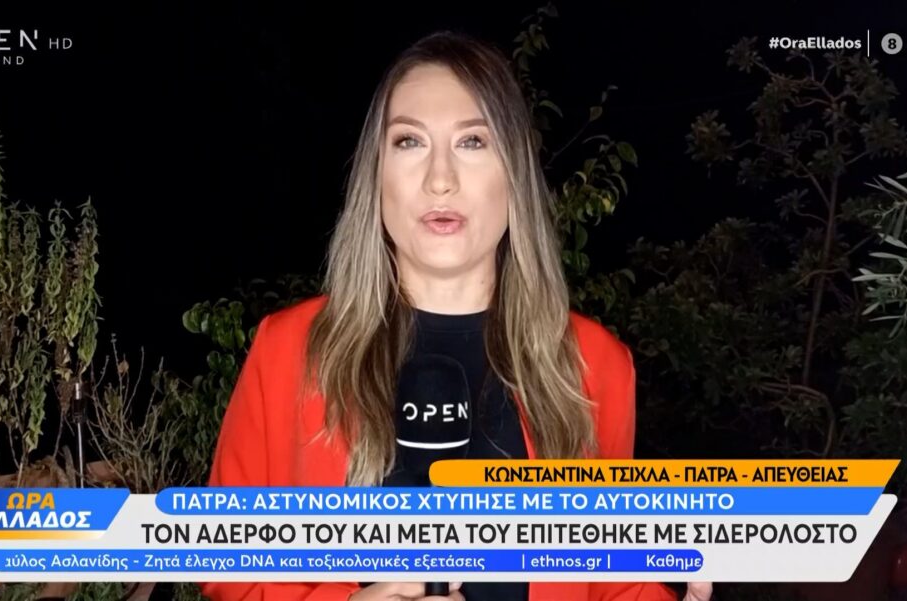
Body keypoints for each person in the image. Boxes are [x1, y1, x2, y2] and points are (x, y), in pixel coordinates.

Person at [201, 30, 712, 601]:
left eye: (472, 141)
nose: (439, 179)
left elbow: (611, 580)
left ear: (513, 173)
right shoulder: (287, 350)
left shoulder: (596, 366)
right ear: (376, 176)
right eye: (409, 142)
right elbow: (229, 570)